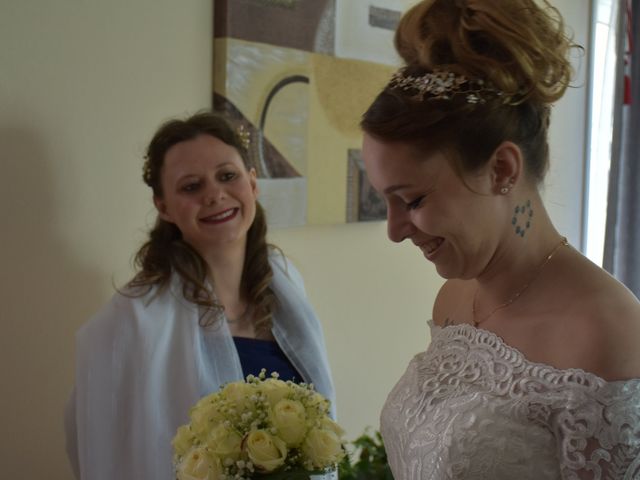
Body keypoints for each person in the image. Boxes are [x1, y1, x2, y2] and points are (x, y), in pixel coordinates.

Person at [360, 1, 640, 478]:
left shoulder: (607, 330)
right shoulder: (454, 299)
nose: (394, 230)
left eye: (412, 200)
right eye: (384, 201)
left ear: (502, 169)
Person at [64, 112, 336, 480]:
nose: (214, 195)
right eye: (191, 186)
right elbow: (99, 446)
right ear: (164, 207)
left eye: (228, 176)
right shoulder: (133, 319)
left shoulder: (287, 286)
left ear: (253, 184)